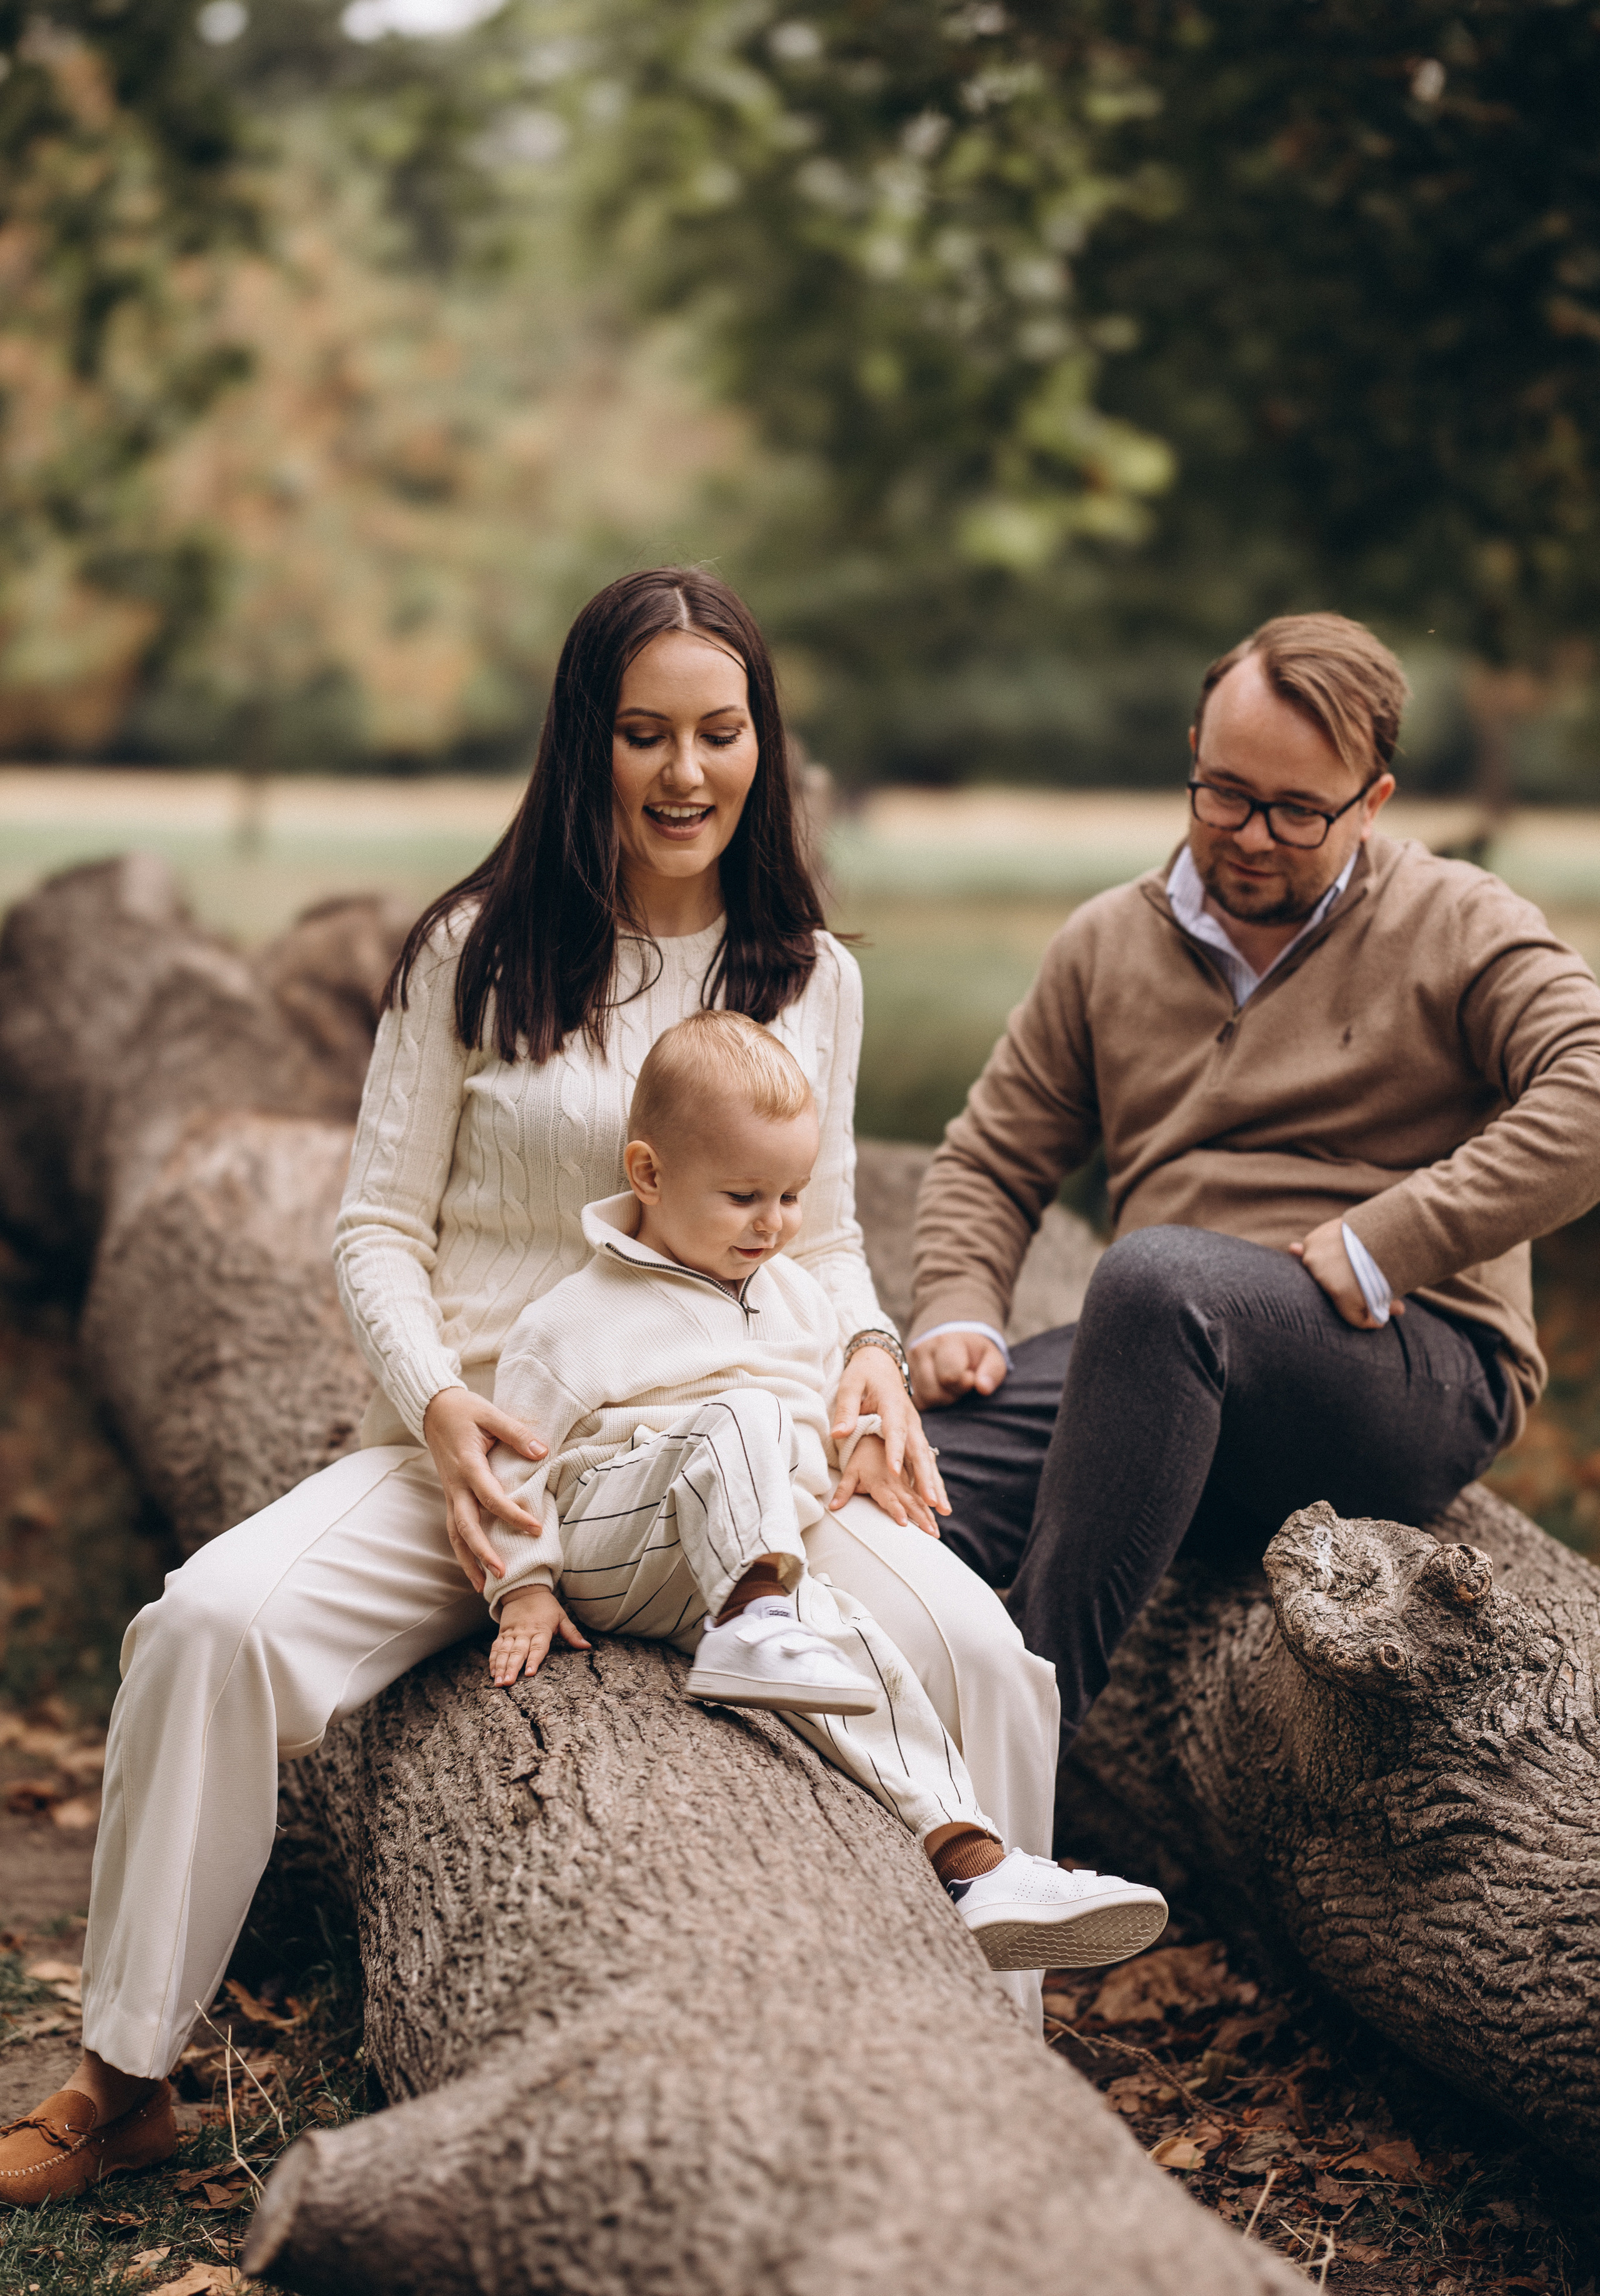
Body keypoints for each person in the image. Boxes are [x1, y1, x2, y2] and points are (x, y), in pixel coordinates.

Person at [0, 566, 982, 2205]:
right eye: (645, 734)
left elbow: (817, 1246)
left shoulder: (807, 973)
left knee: (979, 1655)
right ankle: (123, 2077)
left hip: (729, 1446)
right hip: (493, 1450)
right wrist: (442, 1413)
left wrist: (871, 1361)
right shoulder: (477, 949)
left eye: (720, 734)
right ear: (583, 742)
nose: (685, 775)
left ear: (765, 746)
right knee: (210, 1626)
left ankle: (988, 2087)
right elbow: (375, 1228)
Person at [908, 611, 1600, 1760]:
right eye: (1222, 793)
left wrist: (1397, 1236)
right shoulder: (1105, 945)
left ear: (1372, 803)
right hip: (1162, 1362)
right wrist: (957, 1305)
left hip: (1404, 1364)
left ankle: (1010, 1784)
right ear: (1191, 751)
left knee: (1155, 1282)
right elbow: (991, 1156)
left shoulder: (1458, 924)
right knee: (898, 1479)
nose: (1250, 837)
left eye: (1296, 811)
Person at [481, 1009, 1168, 1975]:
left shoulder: (793, 1296)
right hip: (618, 1538)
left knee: (862, 1651)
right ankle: (759, 1622)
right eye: (743, 1197)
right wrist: (525, 1585)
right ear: (648, 1175)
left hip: (738, 1559)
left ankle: (974, 1861)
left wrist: (856, 1449)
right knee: (742, 1416)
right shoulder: (570, 1321)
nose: (773, 1224)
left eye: (793, 1196)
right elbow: (514, 1463)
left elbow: (814, 1419)